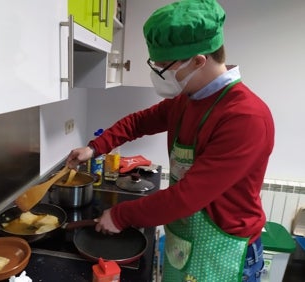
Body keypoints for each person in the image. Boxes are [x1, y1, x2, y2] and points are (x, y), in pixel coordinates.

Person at [66, 0, 274, 281]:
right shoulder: (188, 99)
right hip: (184, 239)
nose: (158, 74)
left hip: (224, 251)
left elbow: (188, 196)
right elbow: (138, 122)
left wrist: (120, 215)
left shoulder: (245, 118)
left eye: (164, 66)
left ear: (199, 60)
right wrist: (94, 148)